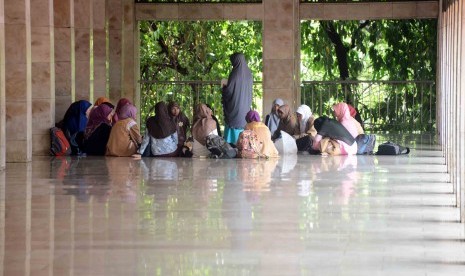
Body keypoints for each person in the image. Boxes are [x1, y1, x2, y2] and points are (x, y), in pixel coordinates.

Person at [221, 53, 253, 144]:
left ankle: (232, 145)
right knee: (244, 123)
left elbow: (229, 92)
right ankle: (243, 145)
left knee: (232, 124)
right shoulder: (249, 73)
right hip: (245, 107)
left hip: (235, 107)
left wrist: (224, 88)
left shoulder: (234, 74)